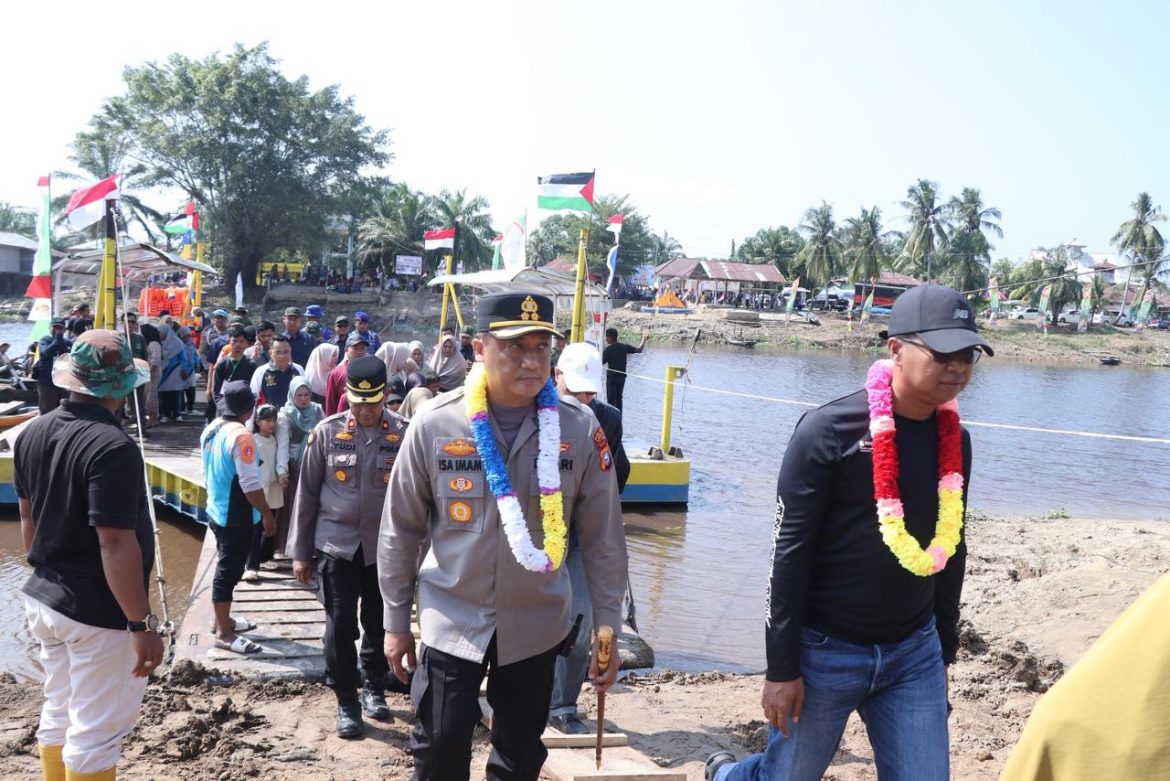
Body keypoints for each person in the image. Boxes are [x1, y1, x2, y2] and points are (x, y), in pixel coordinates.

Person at [707, 284, 994, 781]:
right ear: (896, 349)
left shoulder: (956, 440)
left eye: (968, 353)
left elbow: (952, 548)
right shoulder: (828, 431)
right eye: (944, 351)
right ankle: (730, 776)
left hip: (913, 653)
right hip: (825, 652)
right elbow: (788, 554)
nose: (958, 366)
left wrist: (944, 652)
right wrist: (781, 668)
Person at [379, 292, 628, 780]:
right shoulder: (435, 424)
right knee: (438, 746)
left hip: (536, 624)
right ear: (479, 347)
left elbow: (603, 539)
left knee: (518, 755)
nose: (532, 361)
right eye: (515, 347)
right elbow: (401, 529)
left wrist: (608, 629)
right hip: (453, 616)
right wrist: (393, 622)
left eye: (542, 347)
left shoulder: (580, 430)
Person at [17, 330, 163, 781]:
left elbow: (29, 521)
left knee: (59, 708)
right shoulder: (113, 448)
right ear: (123, 388)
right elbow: (115, 542)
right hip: (97, 611)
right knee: (97, 734)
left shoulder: (31, 433)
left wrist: (48, 569)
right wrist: (140, 623)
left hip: (44, 596)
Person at [289, 356, 408, 738]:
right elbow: (306, 494)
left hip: (385, 549)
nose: (365, 411)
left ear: (385, 396)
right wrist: (299, 552)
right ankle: (346, 699)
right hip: (335, 546)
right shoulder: (326, 433)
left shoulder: (404, 434)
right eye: (358, 404)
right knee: (339, 626)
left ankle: (374, 685)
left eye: (372, 404)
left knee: (378, 621)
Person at [547, 342, 631, 734]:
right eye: (574, 391)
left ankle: (563, 704)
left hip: (582, 539)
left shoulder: (607, 421)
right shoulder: (532, 411)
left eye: (589, 393)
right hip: (536, 539)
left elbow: (612, 475)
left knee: (581, 623)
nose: (582, 399)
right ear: (556, 376)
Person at [200, 381, 277, 655]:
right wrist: (267, 515)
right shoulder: (243, 437)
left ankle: (222, 619)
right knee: (228, 572)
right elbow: (251, 486)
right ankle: (224, 632)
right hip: (237, 516)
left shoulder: (211, 428)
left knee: (226, 567)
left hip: (215, 509)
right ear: (251, 409)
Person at [275, 377, 324, 557]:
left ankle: (312, 547)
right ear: (292, 395)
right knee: (293, 506)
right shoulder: (285, 415)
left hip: (315, 464)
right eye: (299, 395)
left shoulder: (317, 410)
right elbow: (282, 445)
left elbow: (325, 435)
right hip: (295, 466)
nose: (303, 399)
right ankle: (287, 547)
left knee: (313, 504)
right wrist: (282, 471)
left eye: (306, 394)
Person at [242, 404, 287, 582]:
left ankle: (265, 557)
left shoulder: (274, 439)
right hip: (260, 488)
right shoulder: (252, 440)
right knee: (258, 526)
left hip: (273, 485)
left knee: (272, 523)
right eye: (268, 420)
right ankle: (251, 564)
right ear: (258, 421)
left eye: (274, 420)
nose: (272, 424)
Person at [206, 325, 258, 424]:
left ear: (246, 344)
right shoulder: (222, 363)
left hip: (244, 408)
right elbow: (216, 390)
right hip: (225, 407)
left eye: (241, 341)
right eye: (235, 341)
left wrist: (248, 407)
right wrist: (221, 406)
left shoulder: (251, 364)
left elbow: (253, 388)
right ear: (230, 342)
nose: (238, 344)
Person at [250, 335, 305, 408]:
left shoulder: (298, 370)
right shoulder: (260, 372)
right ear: (270, 353)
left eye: (286, 352)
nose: (282, 356)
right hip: (271, 417)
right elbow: (253, 400)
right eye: (278, 352)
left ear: (290, 351)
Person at [324, 332, 370, 416]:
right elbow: (331, 404)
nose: (359, 351)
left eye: (362, 348)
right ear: (346, 350)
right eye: (355, 348)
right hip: (344, 420)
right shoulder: (336, 373)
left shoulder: (371, 372)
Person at [601, 328, 647, 412]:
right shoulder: (624, 347)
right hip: (621, 379)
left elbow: (600, 364)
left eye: (606, 337)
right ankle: (619, 420)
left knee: (610, 401)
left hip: (612, 379)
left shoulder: (608, 350)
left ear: (610, 338)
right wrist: (643, 340)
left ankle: (611, 421)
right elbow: (639, 350)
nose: (605, 339)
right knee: (619, 400)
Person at [35, 318, 70, 414]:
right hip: (47, 383)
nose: (57, 330)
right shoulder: (45, 340)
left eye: (60, 328)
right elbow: (46, 352)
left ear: (64, 329)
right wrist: (58, 338)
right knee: (46, 411)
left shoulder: (66, 342)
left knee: (64, 411)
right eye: (55, 327)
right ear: (50, 327)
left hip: (63, 383)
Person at [139, 323, 163, 429]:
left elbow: (155, 361)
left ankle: (153, 419)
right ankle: (152, 419)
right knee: (150, 395)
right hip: (150, 372)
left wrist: (149, 373)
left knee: (151, 396)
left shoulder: (153, 344)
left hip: (153, 373)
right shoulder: (152, 343)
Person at [304, 341, 339, 405]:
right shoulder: (311, 377)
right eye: (333, 355)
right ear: (324, 356)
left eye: (336, 355)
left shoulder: (337, 373)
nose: (336, 358)